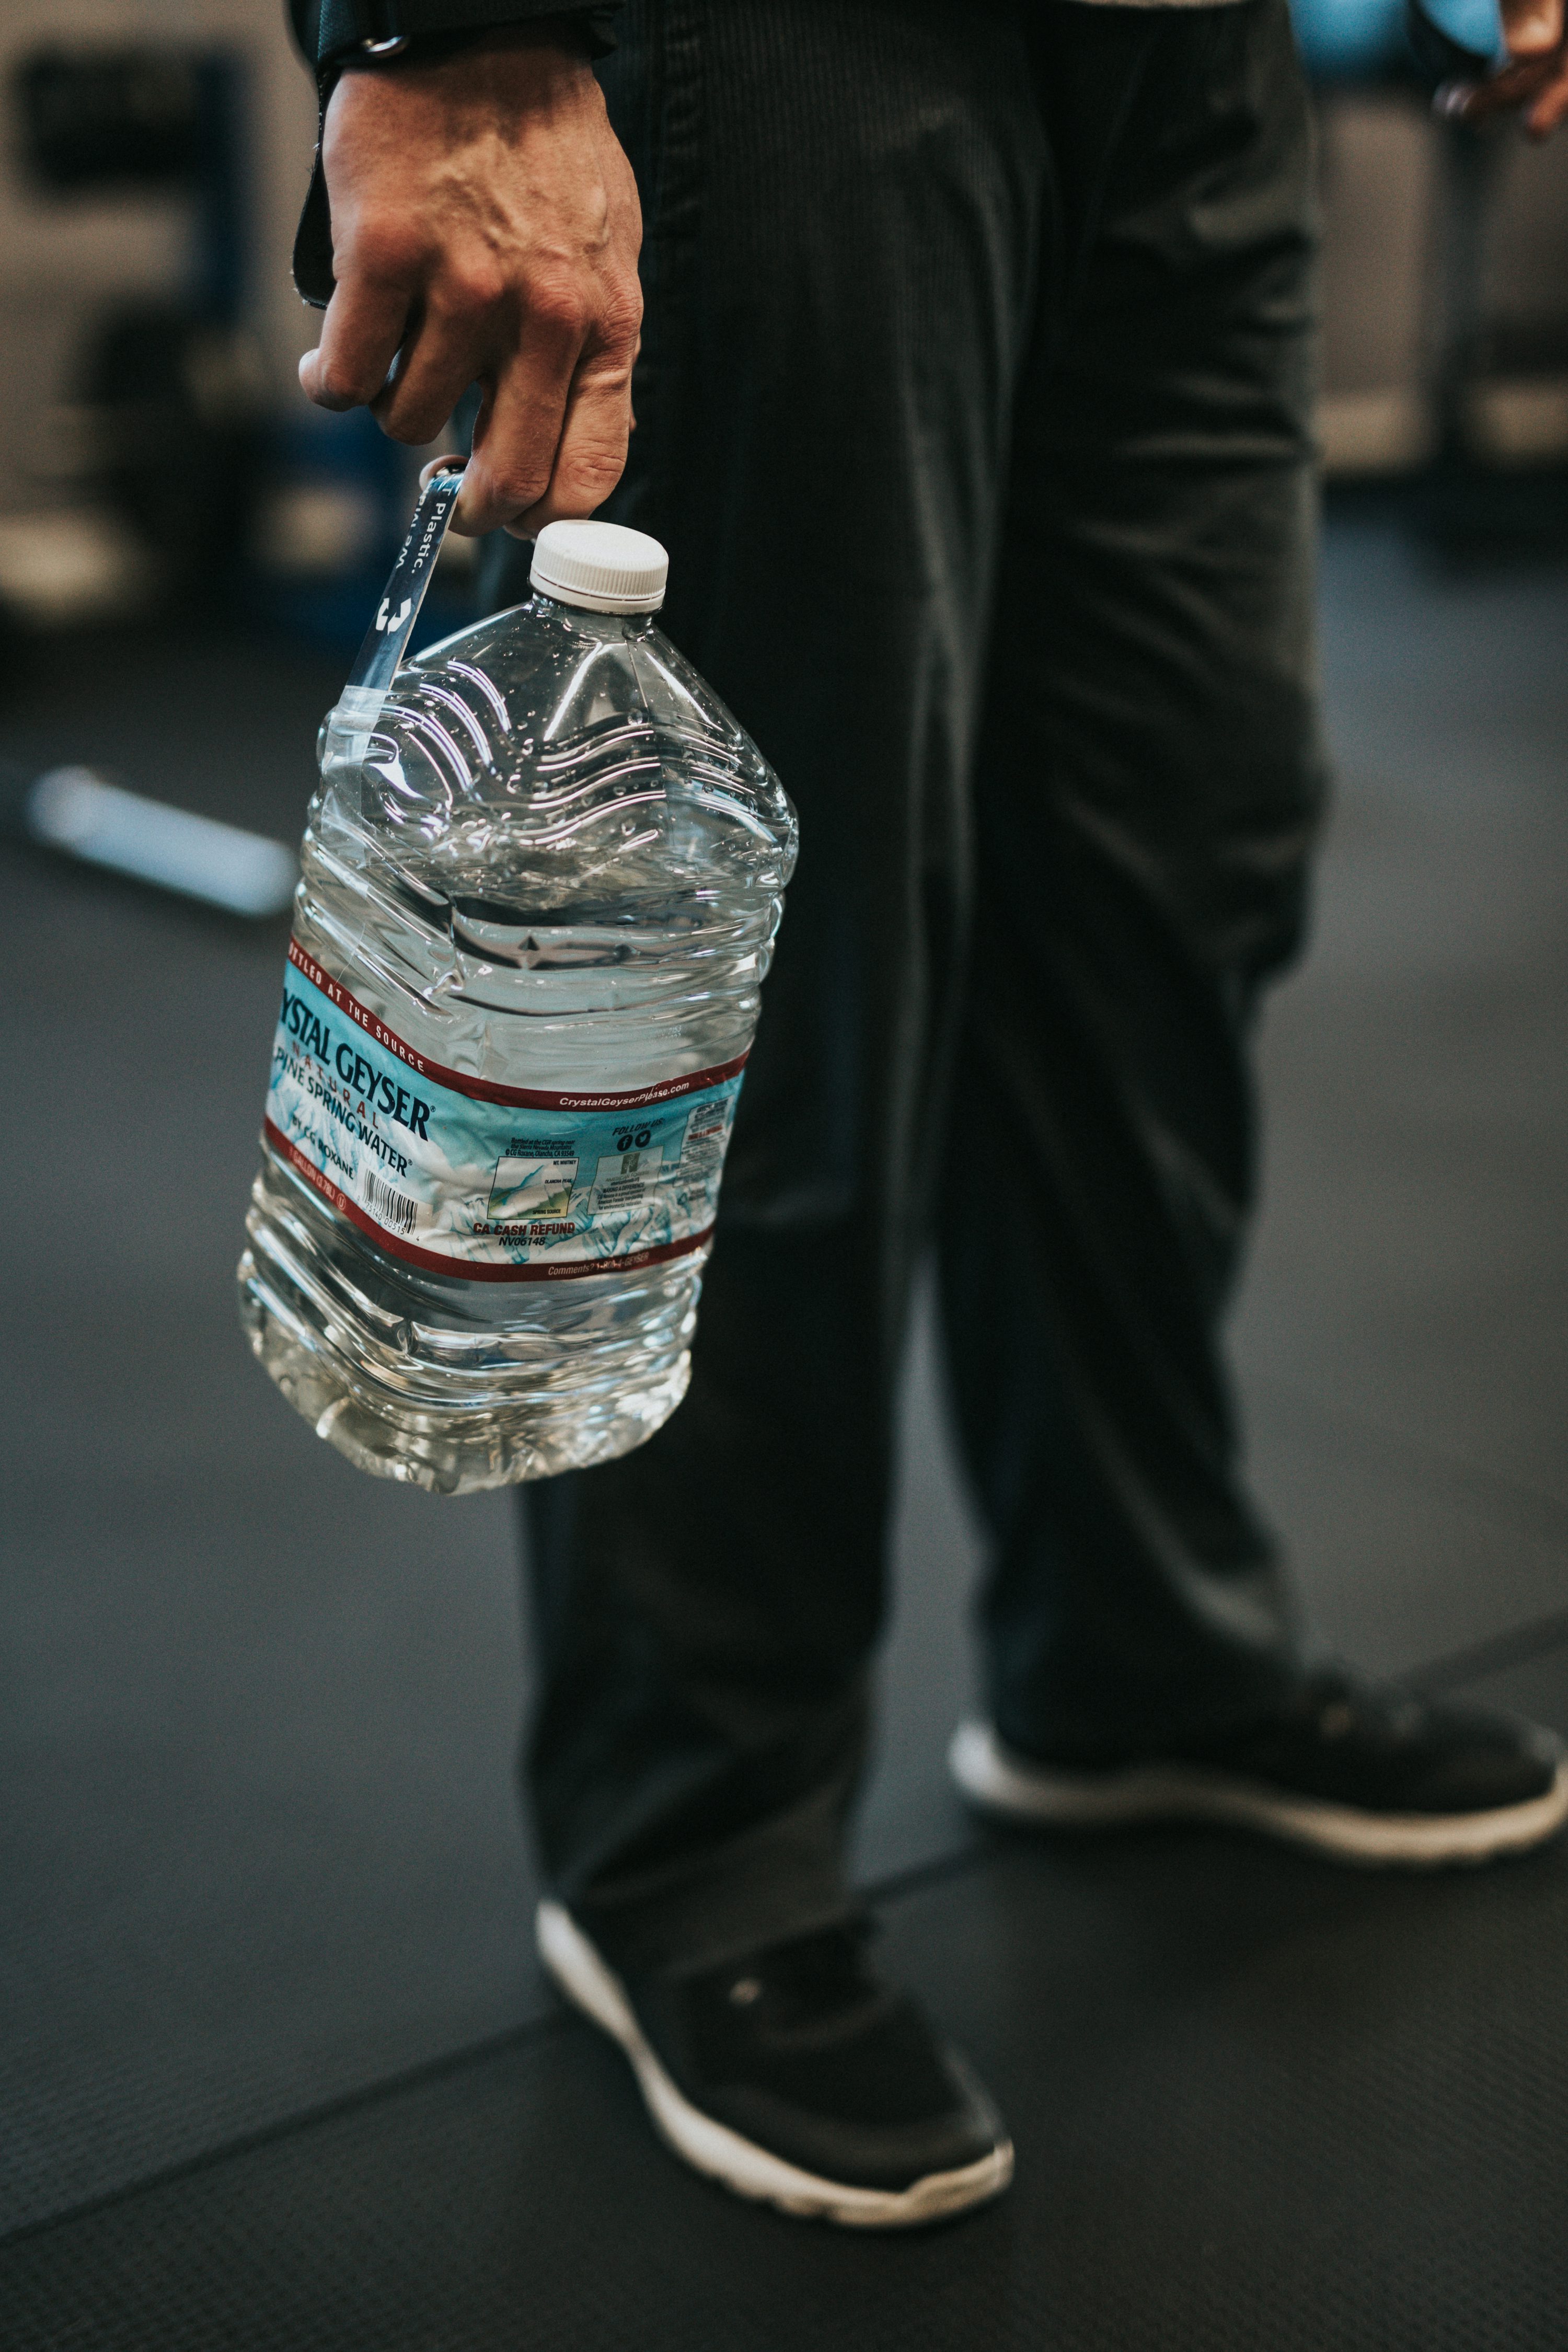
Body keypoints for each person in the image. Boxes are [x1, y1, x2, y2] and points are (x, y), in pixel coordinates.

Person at [285, 0, 1568, 2229]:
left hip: (1194, 59)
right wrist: (444, 30)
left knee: (1171, 875)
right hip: (793, 44)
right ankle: (691, 1838)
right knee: (768, 976)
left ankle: (1133, 1648)